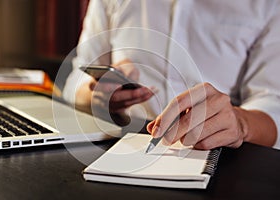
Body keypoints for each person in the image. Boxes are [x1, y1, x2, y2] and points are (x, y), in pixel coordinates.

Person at [63, 0, 280, 150]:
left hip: (217, 156)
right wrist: (96, 97)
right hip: (117, 146)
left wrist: (240, 123)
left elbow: (273, 102)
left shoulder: (268, 6)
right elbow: (76, 78)